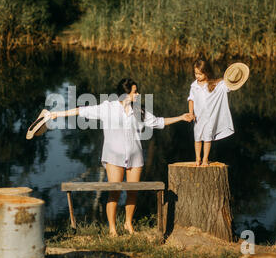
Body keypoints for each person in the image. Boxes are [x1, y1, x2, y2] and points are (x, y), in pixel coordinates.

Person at [50, 78, 193, 236]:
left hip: (135, 156)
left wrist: (181, 117)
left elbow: (158, 122)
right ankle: (112, 229)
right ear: (124, 95)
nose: (138, 94)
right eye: (134, 92)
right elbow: (81, 110)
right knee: (115, 191)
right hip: (113, 157)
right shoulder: (107, 108)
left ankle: (128, 224)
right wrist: (57, 114)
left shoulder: (139, 110)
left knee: (133, 191)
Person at [187, 58, 234, 166]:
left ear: (207, 73)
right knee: (197, 138)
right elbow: (191, 100)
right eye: (196, 73)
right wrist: (191, 113)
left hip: (209, 117)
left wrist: (232, 79)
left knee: (207, 138)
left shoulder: (214, 85)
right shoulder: (194, 86)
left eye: (200, 74)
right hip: (198, 117)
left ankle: (205, 159)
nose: (197, 76)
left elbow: (227, 86)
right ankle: (197, 158)